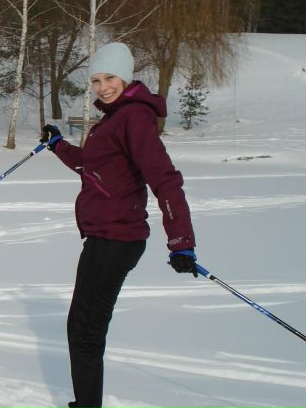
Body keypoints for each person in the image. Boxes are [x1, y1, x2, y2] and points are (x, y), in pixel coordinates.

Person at [40, 42, 198, 408]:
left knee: (84, 331)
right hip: (105, 237)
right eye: (95, 80)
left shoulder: (133, 118)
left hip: (116, 238)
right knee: (83, 328)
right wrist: (59, 145)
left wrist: (181, 242)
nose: (102, 86)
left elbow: (165, 179)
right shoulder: (114, 119)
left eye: (109, 77)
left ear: (125, 78)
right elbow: (92, 167)